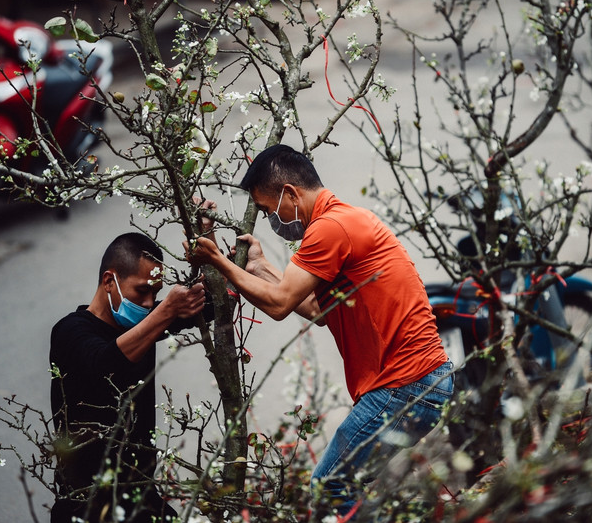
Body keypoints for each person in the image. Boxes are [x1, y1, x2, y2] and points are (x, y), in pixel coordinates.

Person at [185, 144, 452, 514]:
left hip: (404, 386)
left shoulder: (329, 228)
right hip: (421, 384)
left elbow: (279, 305)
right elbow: (314, 308)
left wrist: (217, 260)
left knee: (330, 485)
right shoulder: (343, 221)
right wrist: (258, 266)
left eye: (267, 208)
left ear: (291, 194)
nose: (270, 219)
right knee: (352, 487)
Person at [49, 232, 212, 523]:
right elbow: (107, 361)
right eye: (141, 291)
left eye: (156, 293)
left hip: (139, 497)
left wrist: (206, 242)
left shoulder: (144, 321)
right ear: (109, 281)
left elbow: (214, 301)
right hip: (86, 505)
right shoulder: (70, 332)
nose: (150, 303)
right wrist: (166, 311)